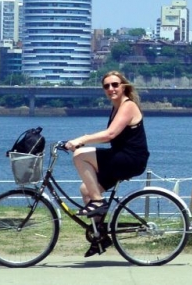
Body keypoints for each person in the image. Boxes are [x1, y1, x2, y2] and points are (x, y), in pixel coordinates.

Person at [64, 71, 150, 256]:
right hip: (120, 156)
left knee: (80, 155)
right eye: (106, 86)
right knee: (86, 190)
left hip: (131, 158)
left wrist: (82, 139)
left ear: (123, 86)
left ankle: (98, 202)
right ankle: (100, 238)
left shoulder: (128, 106)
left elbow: (110, 134)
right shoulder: (116, 106)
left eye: (115, 85)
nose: (111, 89)